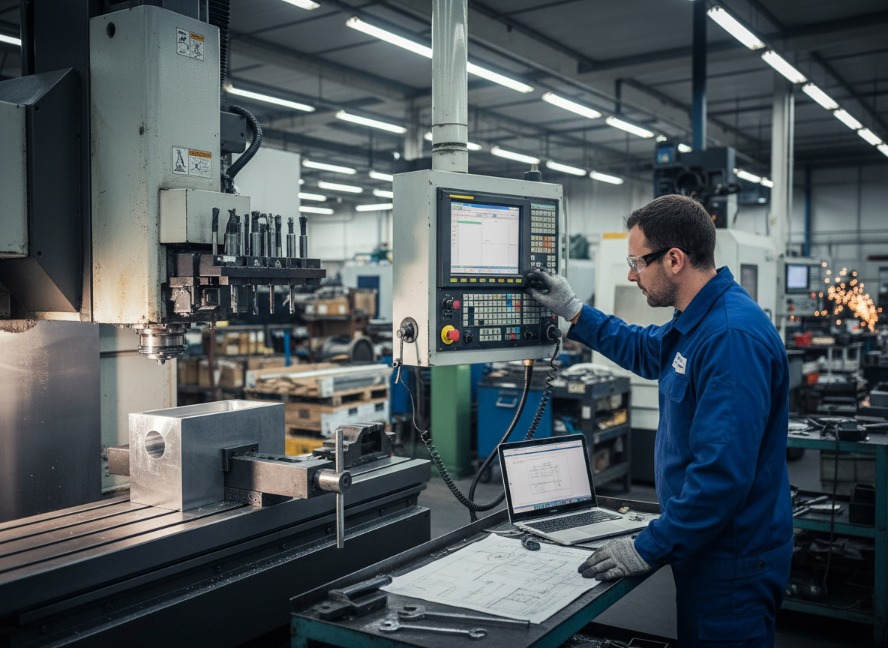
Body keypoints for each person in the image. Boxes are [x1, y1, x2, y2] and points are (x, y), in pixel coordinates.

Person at [526, 194, 793, 647]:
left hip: (732, 558)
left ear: (674, 259)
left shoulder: (729, 338)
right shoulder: (698, 318)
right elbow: (648, 349)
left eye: (637, 261)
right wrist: (575, 312)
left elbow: (720, 479)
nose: (631, 275)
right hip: (706, 545)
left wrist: (646, 547)